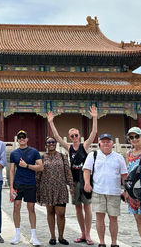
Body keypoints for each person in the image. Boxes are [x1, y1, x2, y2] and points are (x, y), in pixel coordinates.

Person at [47, 105, 98, 245]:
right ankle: (82, 233)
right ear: (69, 137)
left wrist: (94, 118)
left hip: (85, 180)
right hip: (74, 180)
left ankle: (88, 234)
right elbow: (56, 137)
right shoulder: (69, 147)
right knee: (77, 207)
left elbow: (94, 133)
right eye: (72, 136)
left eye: (76, 135)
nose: (74, 137)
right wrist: (51, 121)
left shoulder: (84, 146)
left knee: (87, 206)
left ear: (79, 136)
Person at [83, 133, 127, 247]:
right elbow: (86, 170)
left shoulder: (119, 158)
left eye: (108, 141)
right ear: (99, 143)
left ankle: (114, 243)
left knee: (113, 218)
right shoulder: (93, 155)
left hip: (115, 191)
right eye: (103, 141)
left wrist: (126, 190)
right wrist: (87, 183)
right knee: (99, 217)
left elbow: (124, 175)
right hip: (98, 191)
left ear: (112, 143)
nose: (106, 143)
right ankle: (102, 242)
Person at [36, 136, 74, 245]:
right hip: (47, 188)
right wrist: (37, 188)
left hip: (60, 188)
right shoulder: (42, 158)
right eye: (48, 142)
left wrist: (70, 185)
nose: (51, 144)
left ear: (56, 144)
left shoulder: (62, 157)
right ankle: (52, 236)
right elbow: (38, 174)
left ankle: (61, 237)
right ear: (46, 145)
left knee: (61, 213)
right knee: (50, 212)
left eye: (53, 142)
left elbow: (68, 172)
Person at [9, 130, 44, 246]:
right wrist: (11, 188)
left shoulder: (34, 152)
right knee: (16, 207)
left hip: (30, 183)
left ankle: (33, 235)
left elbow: (40, 167)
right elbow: (12, 170)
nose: (22, 139)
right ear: (17, 140)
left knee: (31, 208)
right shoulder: (14, 153)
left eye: (24, 137)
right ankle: (17, 233)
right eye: (19, 138)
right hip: (18, 183)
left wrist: (27, 166)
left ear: (27, 139)